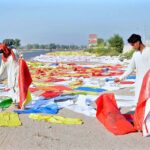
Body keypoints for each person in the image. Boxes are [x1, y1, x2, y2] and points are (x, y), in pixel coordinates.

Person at [115, 34, 150, 108]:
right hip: (139, 83)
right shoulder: (135, 55)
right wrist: (120, 78)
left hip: (148, 83)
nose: (132, 46)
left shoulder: (149, 51)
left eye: (133, 44)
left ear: (138, 42)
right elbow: (130, 68)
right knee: (139, 103)